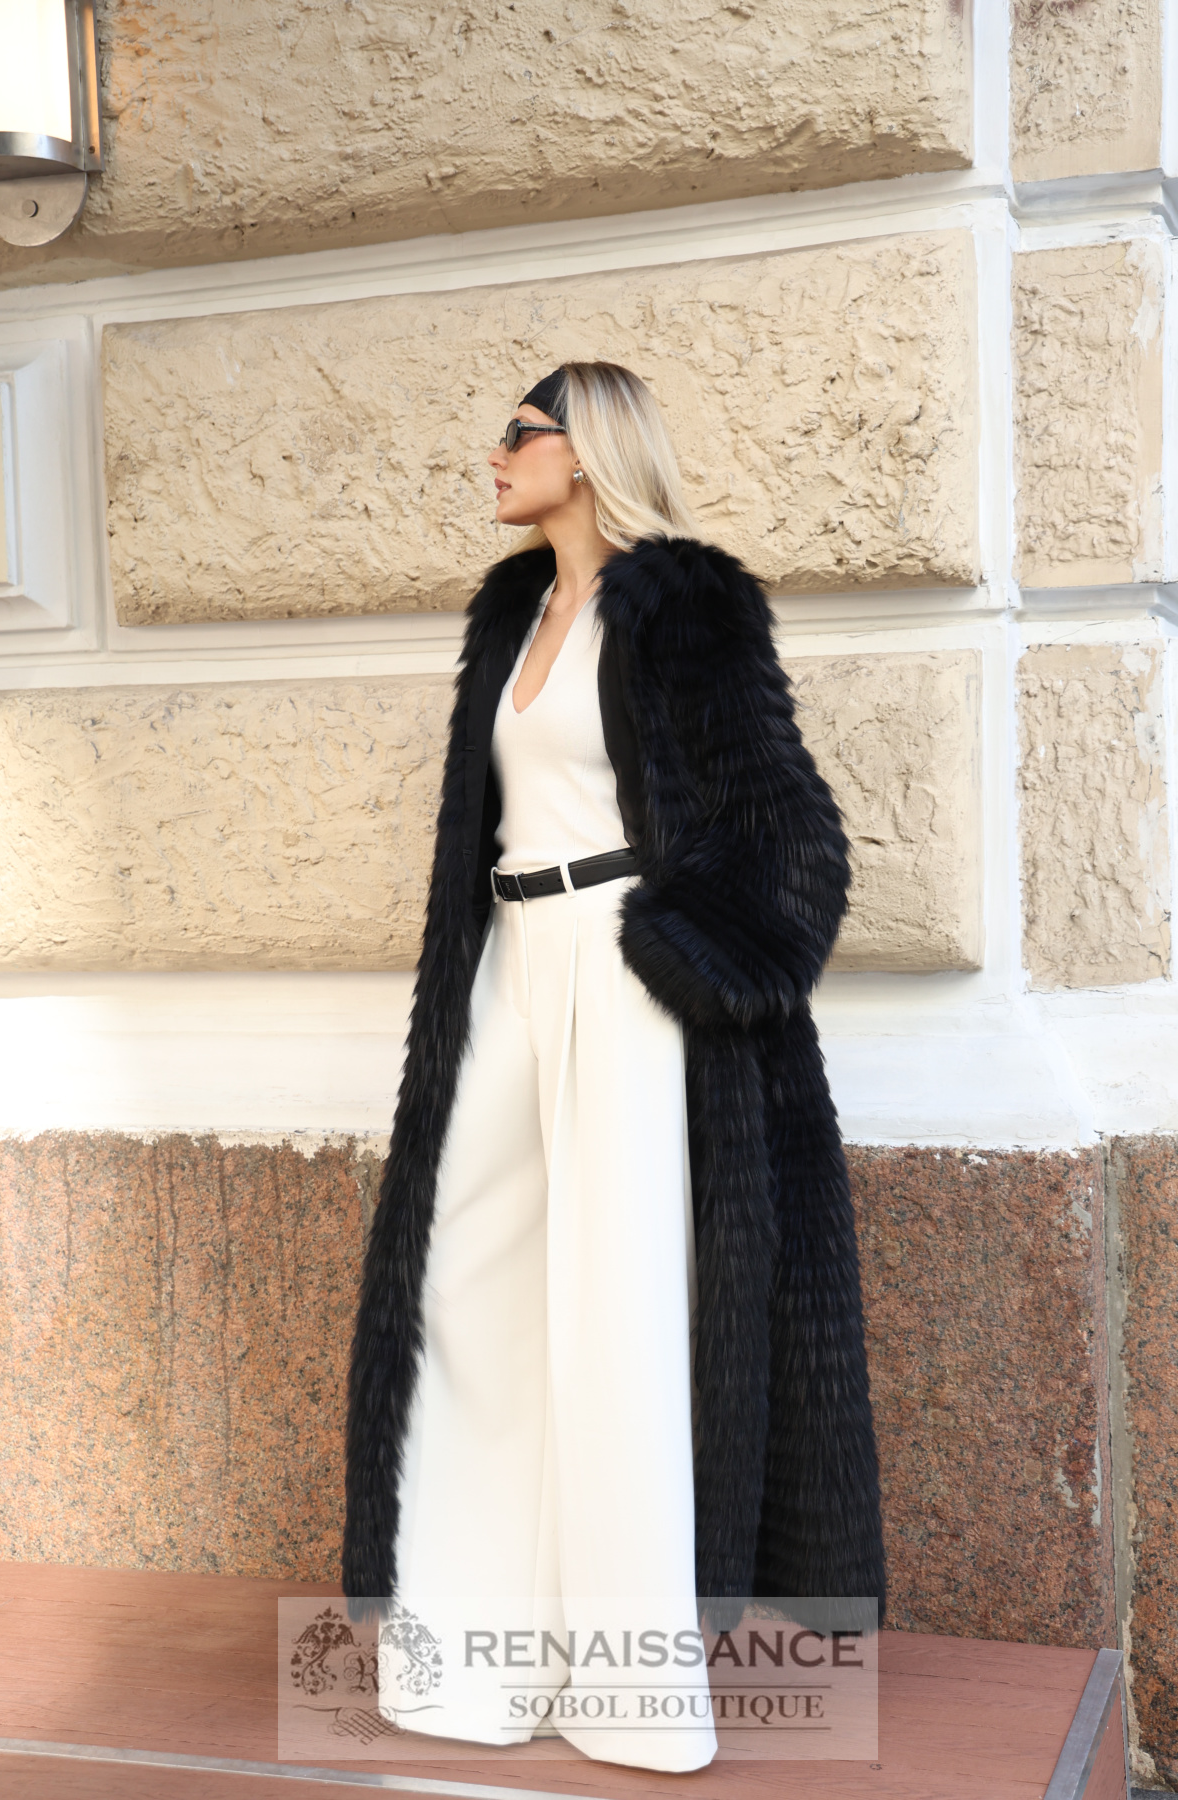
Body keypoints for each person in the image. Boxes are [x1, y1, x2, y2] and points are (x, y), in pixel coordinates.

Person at [343, 362, 884, 1772]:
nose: (492, 454)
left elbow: (795, 836)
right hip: (508, 970)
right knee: (470, 1295)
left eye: (515, 433)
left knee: (620, 1315)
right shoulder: (512, 614)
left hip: (629, 973)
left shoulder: (685, 605)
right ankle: (475, 1663)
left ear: (581, 452)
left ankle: (630, 1694)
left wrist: (693, 957)